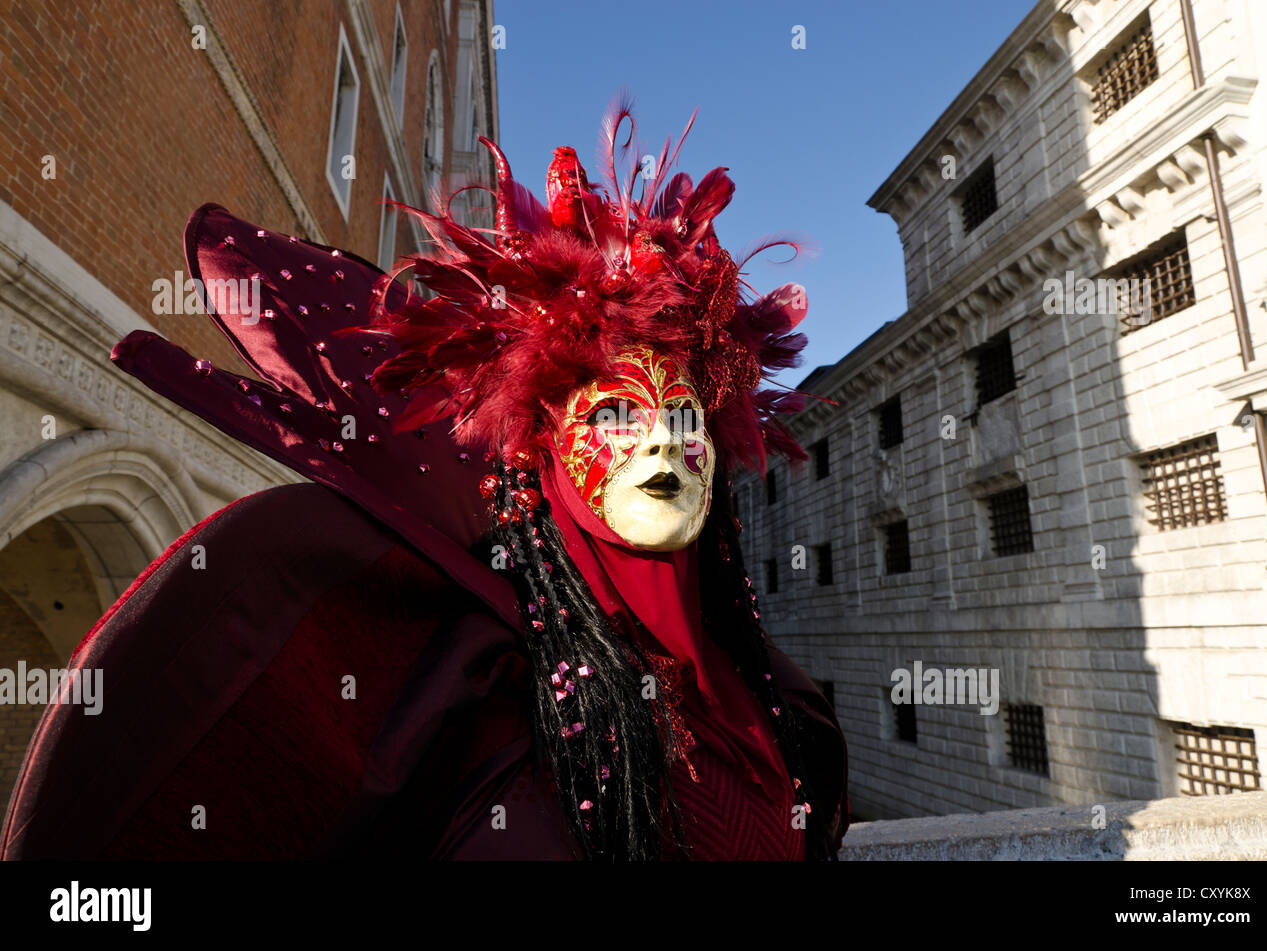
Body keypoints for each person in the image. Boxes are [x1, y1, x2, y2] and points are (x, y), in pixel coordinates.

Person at [1, 100, 849, 861]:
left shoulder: (776, 700)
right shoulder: (465, 702)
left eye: (685, 416)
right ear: (543, 450)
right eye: (616, 416)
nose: (662, 444)